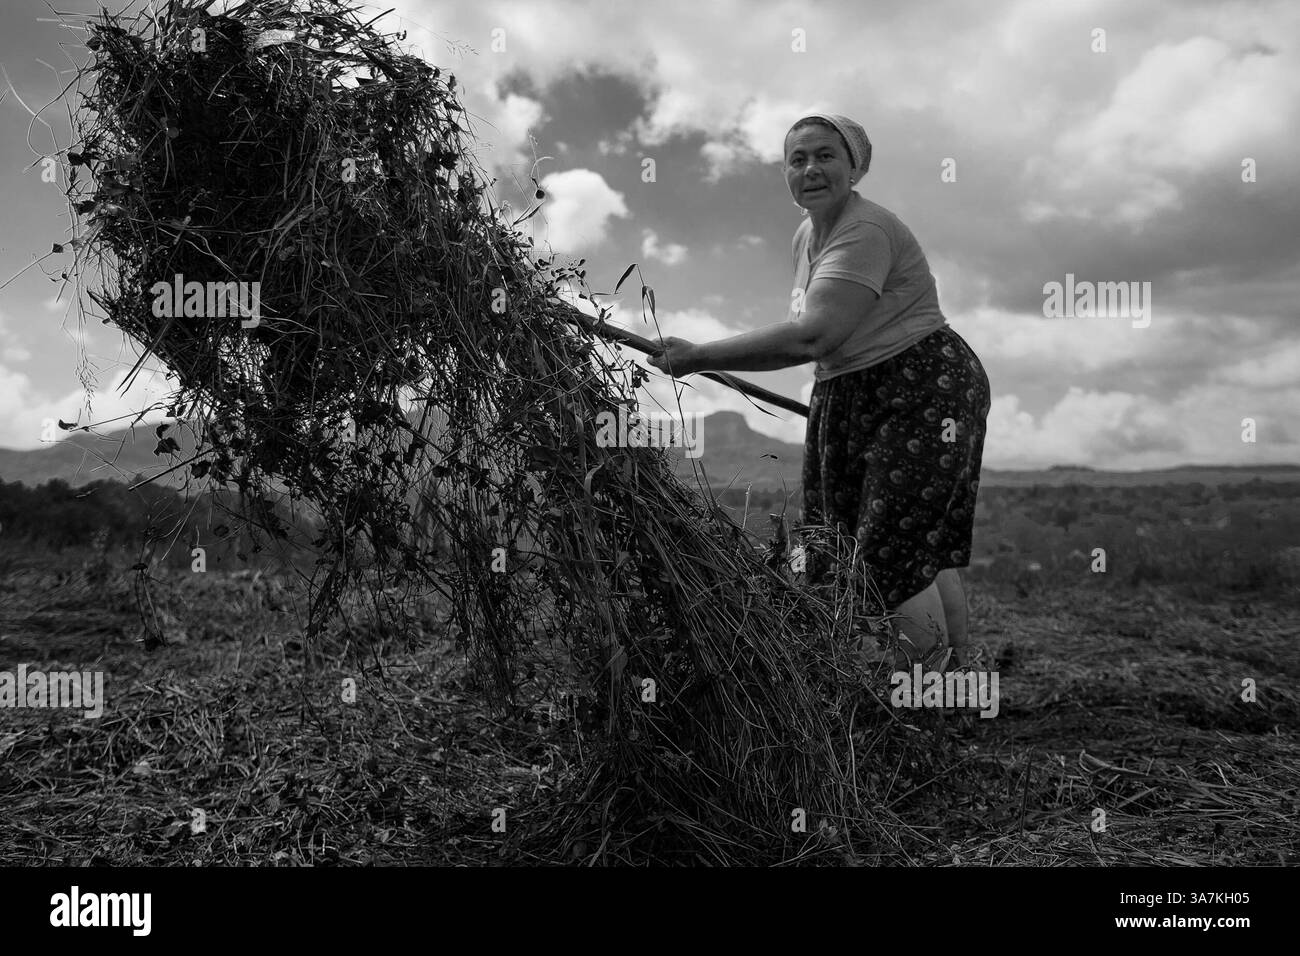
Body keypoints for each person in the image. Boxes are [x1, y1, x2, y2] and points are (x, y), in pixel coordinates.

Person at [647, 113, 991, 666]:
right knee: (884, 542)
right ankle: (955, 674)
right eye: (797, 158)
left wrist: (699, 355)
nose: (810, 168)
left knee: (893, 555)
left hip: (921, 390)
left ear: (854, 167)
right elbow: (824, 340)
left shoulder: (867, 230)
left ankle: (924, 698)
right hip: (856, 389)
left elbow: (814, 334)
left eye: (826, 155)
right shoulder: (808, 235)